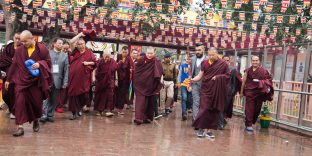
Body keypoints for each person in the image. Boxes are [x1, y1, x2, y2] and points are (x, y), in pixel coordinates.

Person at [5, 30, 52, 137]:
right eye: (22, 41)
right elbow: (14, 65)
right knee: (20, 102)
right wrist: (8, 79)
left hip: (35, 82)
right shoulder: (20, 50)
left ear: (32, 39)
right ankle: (20, 127)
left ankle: (36, 120)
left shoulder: (42, 49)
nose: (23, 44)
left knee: (36, 103)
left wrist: (40, 64)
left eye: (25, 41)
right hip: (21, 81)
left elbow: (48, 62)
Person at [191, 47, 230, 138]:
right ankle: (201, 128)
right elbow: (200, 75)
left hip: (216, 90)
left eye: (213, 55)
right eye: (209, 55)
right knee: (204, 108)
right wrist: (193, 79)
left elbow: (227, 76)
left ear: (217, 54)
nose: (211, 57)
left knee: (212, 110)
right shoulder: (204, 63)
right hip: (206, 89)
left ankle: (209, 131)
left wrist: (218, 77)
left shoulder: (223, 64)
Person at [68, 32, 96, 120]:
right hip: (74, 79)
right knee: (73, 96)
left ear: (85, 44)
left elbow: (95, 63)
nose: (81, 46)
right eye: (79, 44)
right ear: (77, 45)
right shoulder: (75, 51)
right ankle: (73, 113)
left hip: (84, 78)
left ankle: (79, 108)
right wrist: (80, 34)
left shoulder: (89, 52)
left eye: (82, 44)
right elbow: (71, 42)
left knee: (85, 96)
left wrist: (88, 63)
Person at [240, 55, 273, 132]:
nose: (255, 62)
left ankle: (250, 121)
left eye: (256, 60)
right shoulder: (248, 70)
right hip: (250, 92)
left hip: (259, 92)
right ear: (251, 61)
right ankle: (249, 124)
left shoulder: (264, 71)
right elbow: (244, 82)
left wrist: (262, 82)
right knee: (249, 109)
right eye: (253, 60)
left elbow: (269, 81)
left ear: (259, 61)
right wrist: (241, 92)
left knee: (257, 109)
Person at [40, 38, 69, 123]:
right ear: (54, 44)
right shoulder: (48, 53)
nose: (61, 45)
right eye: (59, 43)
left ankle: (50, 114)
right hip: (47, 79)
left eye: (62, 43)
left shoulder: (65, 55)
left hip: (58, 80)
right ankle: (44, 114)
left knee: (54, 99)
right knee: (45, 98)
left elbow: (66, 70)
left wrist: (65, 82)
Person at [133, 46, 163, 125]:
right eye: (148, 53)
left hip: (150, 85)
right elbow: (136, 71)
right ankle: (138, 118)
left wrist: (159, 83)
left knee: (149, 101)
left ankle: (147, 118)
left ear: (154, 53)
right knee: (140, 101)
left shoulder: (156, 61)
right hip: (140, 85)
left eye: (151, 53)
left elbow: (160, 72)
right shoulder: (141, 60)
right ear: (146, 53)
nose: (149, 55)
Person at [0, 32, 21, 119]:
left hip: (18, 75)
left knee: (15, 94)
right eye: (16, 38)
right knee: (5, 94)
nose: (17, 40)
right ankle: (10, 107)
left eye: (19, 39)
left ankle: (14, 111)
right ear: (13, 37)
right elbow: (3, 59)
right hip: (7, 75)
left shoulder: (23, 49)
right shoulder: (8, 48)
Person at [93, 50, 117, 117]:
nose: (107, 57)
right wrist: (94, 78)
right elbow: (96, 70)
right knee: (100, 96)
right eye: (105, 56)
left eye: (108, 56)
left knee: (110, 96)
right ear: (103, 55)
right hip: (101, 81)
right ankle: (99, 110)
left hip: (110, 81)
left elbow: (115, 71)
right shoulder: (100, 61)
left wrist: (116, 80)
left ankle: (108, 110)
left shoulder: (113, 61)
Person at [190, 43, 207, 121]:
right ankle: (196, 120)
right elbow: (191, 73)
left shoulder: (208, 59)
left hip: (205, 85)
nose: (197, 52)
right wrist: (190, 84)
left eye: (199, 50)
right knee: (196, 102)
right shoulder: (193, 59)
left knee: (203, 103)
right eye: (196, 50)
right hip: (195, 84)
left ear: (203, 49)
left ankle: (202, 120)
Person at [56, 40, 71, 113]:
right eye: (64, 48)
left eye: (67, 49)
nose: (65, 50)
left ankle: (60, 105)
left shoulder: (69, 55)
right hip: (57, 75)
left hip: (66, 75)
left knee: (63, 91)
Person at [116, 46, 132, 115]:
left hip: (125, 80)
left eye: (126, 52)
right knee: (117, 93)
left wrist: (131, 70)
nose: (124, 54)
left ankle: (120, 109)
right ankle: (116, 107)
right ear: (121, 51)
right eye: (123, 52)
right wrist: (119, 63)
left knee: (123, 94)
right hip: (117, 78)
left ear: (128, 52)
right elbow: (114, 65)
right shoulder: (118, 56)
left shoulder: (129, 58)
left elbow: (133, 66)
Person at [177, 56, 193, 121]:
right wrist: (178, 82)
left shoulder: (193, 66)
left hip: (191, 84)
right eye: (187, 59)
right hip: (183, 84)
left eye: (189, 59)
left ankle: (188, 108)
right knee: (184, 98)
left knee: (189, 99)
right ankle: (184, 113)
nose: (188, 60)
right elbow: (180, 74)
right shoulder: (183, 65)